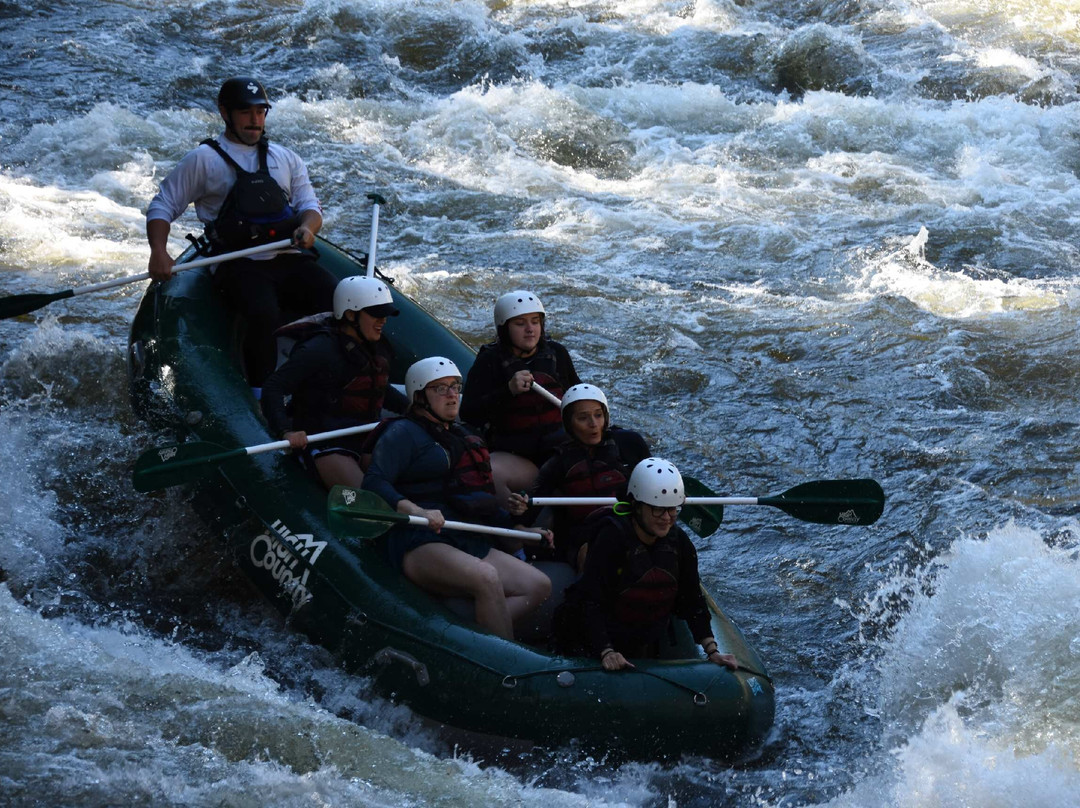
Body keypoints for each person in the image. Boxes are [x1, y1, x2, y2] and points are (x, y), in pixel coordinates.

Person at [145, 76, 338, 391]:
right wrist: (159, 252)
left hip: (284, 254)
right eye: (246, 112)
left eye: (261, 111)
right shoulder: (203, 160)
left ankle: (325, 376)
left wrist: (308, 227)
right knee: (263, 311)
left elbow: (310, 206)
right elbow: (162, 206)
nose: (254, 120)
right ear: (225, 113)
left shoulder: (285, 158)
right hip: (236, 262)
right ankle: (261, 392)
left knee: (336, 295)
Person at [362, 356, 552, 640]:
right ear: (419, 397)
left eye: (455, 387)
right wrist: (416, 510)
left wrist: (519, 530)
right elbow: (374, 481)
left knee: (539, 585)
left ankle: (469, 637)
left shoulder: (462, 436)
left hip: (462, 535)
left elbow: (479, 498)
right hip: (418, 539)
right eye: (441, 388)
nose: (452, 395)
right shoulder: (403, 432)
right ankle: (502, 665)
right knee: (486, 578)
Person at [563, 457, 739, 672]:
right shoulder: (611, 539)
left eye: (672, 509)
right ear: (637, 506)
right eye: (658, 509)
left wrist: (712, 650)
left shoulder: (680, 544)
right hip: (593, 646)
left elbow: (692, 600)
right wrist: (606, 651)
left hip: (643, 643)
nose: (667, 518)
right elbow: (590, 601)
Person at [260, 275, 409, 489]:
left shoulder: (370, 346)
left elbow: (377, 388)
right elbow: (274, 386)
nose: (383, 321)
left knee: (406, 480)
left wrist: (409, 408)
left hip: (363, 439)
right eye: (376, 315)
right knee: (369, 498)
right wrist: (285, 431)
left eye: (385, 315)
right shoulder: (319, 349)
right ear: (350, 315)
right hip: (325, 443)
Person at [507, 383, 650, 571]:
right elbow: (524, 516)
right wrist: (520, 509)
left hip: (631, 526)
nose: (593, 424)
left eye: (598, 415)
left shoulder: (629, 443)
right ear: (569, 423)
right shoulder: (558, 463)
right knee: (595, 552)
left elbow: (655, 485)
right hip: (586, 536)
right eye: (583, 418)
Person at [460, 290, 581, 501]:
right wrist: (507, 391)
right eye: (520, 323)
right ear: (504, 329)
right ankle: (514, 528)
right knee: (494, 471)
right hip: (519, 457)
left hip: (559, 452)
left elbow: (578, 397)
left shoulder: (556, 353)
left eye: (535, 322)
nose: (530, 330)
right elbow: (469, 413)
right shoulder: (489, 361)